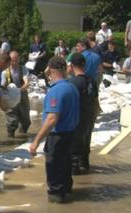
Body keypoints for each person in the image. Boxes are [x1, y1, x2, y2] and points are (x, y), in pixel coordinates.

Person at [29, 56, 79, 203]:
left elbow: (52, 118)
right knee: (65, 166)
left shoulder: (56, 91)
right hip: (70, 135)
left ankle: (57, 202)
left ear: (50, 70)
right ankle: (66, 192)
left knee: (54, 168)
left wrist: (36, 141)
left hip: (58, 136)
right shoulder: (71, 87)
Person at [76, 38, 101, 171]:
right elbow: (99, 69)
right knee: (87, 132)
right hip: (92, 86)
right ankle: (85, 162)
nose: (77, 48)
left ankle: (78, 163)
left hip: (81, 86)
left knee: (78, 134)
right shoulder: (96, 56)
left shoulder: (80, 57)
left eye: (78, 46)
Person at [68, 53, 93, 175]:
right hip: (89, 116)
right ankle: (85, 166)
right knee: (85, 143)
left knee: (74, 147)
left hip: (77, 118)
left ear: (71, 65)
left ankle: (75, 173)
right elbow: (96, 101)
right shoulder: (92, 80)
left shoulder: (73, 83)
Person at [1, 51, 31, 138]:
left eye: (16, 60)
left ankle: (22, 137)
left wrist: (18, 90)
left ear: (19, 59)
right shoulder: (4, 72)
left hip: (22, 95)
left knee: (26, 121)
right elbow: (2, 86)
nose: (14, 62)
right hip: (10, 97)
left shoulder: (23, 69)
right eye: (12, 60)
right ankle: (11, 139)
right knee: (12, 121)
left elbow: (27, 83)